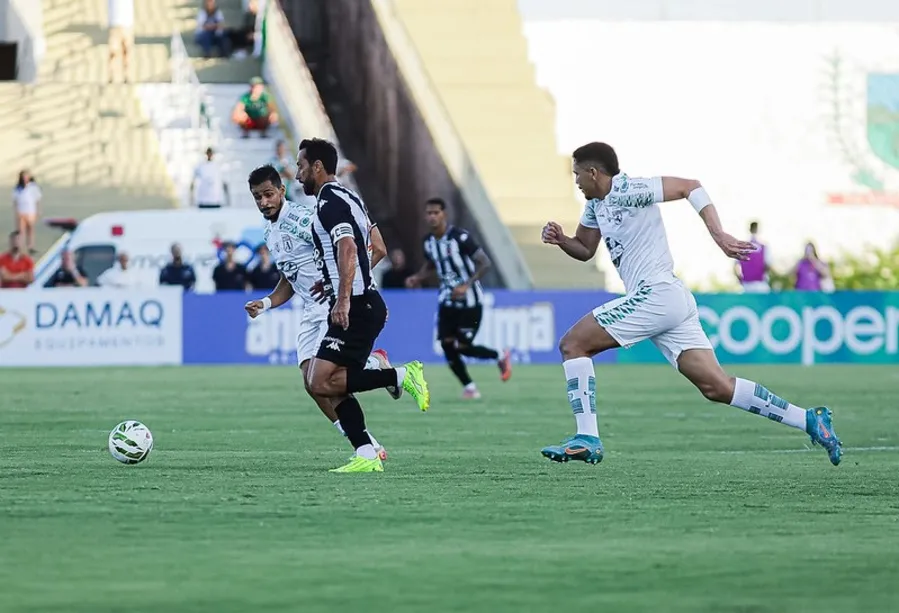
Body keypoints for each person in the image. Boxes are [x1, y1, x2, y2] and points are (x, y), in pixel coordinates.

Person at [539, 142, 842, 467]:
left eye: (577, 175)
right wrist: (562, 240)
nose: (576, 182)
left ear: (593, 172)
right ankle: (810, 420)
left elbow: (690, 186)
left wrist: (719, 235)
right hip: (668, 300)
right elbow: (585, 249)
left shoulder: (632, 189)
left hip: (655, 294)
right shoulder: (595, 205)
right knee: (717, 387)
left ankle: (587, 437)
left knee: (573, 344)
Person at [242, 163, 409, 465]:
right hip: (309, 309)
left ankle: (368, 427)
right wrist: (265, 304)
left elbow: (354, 248)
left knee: (321, 380)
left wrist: (344, 283)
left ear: (281, 191)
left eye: (268, 194)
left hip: (330, 304)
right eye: (257, 197)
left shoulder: (303, 218)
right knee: (311, 383)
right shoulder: (270, 231)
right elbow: (289, 279)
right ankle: (365, 438)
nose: (264, 202)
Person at [296, 138, 429, 473]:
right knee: (334, 382)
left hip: (355, 306)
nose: (297, 175)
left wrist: (343, 295)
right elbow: (378, 247)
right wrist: (333, 279)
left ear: (317, 167)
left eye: (300, 166)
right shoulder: (350, 197)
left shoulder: (329, 202)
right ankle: (367, 454)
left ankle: (398, 375)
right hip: (362, 300)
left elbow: (347, 248)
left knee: (318, 381)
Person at [405, 197, 511, 399]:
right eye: (429, 213)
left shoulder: (460, 238)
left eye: (436, 213)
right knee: (446, 344)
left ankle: (499, 355)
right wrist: (418, 277)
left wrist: (466, 285)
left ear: (444, 214)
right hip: (446, 300)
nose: (432, 217)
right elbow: (432, 264)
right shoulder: (428, 242)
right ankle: (469, 387)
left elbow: (484, 262)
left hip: (470, 301)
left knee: (463, 347)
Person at [736, 221, 771, 293]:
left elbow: (736, 265)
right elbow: (768, 266)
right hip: (759, 283)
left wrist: (739, 278)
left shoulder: (742, 246)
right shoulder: (763, 247)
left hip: (747, 283)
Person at [12, 170, 40, 254]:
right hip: (21, 211)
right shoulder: (18, 188)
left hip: (31, 211)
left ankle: (30, 246)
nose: (25, 178)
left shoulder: (33, 187)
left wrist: (38, 211)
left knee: (30, 229)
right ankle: (21, 247)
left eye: (26, 176)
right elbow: (15, 201)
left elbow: (37, 199)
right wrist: (16, 211)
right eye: (23, 176)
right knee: (21, 231)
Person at [107, 0, 135, 83]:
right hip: (115, 25)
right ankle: (111, 76)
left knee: (126, 52)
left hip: (127, 25)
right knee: (113, 52)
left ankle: (126, 75)